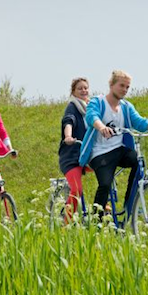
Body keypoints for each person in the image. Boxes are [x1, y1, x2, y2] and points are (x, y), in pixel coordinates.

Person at [79, 70, 148, 213]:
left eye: (127, 87)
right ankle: (96, 222)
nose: (125, 90)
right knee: (105, 184)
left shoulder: (126, 107)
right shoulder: (98, 102)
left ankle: (131, 203)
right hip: (99, 153)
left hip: (119, 150)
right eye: (122, 86)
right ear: (112, 84)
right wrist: (101, 127)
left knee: (137, 161)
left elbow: (139, 122)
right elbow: (92, 116)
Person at [57, 78, 90, 216]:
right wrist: (68, 137)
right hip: (71, 156)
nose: (83, 90)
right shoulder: (73, 106)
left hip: (86, 154)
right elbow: (68, 121)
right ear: (73, 92)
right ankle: (66, 225)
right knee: (76, 189)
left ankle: (104, 205)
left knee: (106, 171)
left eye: (85, 88)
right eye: (80, 88)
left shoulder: (90, 108)